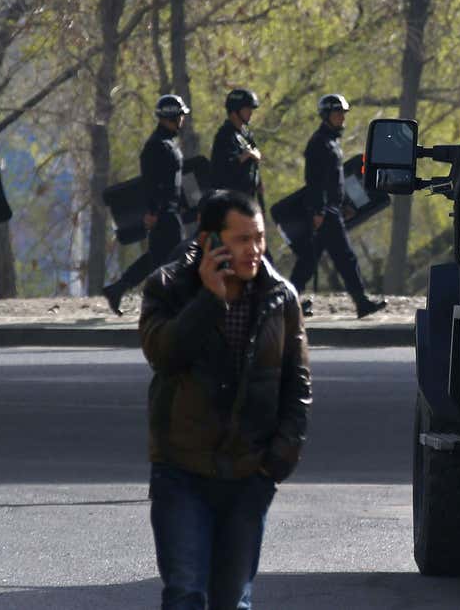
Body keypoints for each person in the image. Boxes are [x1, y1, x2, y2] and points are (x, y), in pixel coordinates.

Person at [139, 189, 310, 610]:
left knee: (233, 602)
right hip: (182, 474)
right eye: (241, 239)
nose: (254, 251)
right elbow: (164, 353)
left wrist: (274, 466)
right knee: (185, 594)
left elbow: (297, 387)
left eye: (259, 238)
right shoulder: (167, 288)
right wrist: (209, 300)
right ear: (209, 241)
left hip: (248, 478)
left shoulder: (280, 298)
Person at [287, 94, 386, 318]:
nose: (342, 117)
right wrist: (319, 211)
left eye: (343, 113)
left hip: (331, 210)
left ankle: (287, 302)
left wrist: (342, 206)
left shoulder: (331, 142)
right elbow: (315, 181)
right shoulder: (319, 143)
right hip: (324, 213)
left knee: (308, 262)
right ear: (326, 116)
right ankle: (361, 302)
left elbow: (333, 181)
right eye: (337, 113)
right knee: (344, 258)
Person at [103, 95, 190, 315]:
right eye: (180, 115)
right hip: (162, 213)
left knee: (160, 257)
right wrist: (153, 212)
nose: (183, 119)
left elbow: (175, 180)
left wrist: (184, 205)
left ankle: (118, 289)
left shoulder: (169, 142)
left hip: (171, 210)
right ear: (171, 116)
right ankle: (162, 303)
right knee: (171, 258)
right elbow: (151, 183)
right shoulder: (156, 146)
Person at [210, 89, 264, 200]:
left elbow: (256, 155)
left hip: (248, 197)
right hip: (230, 199)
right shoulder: (225, 135)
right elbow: (222, 169)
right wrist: (246, 155)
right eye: (246, 109)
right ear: (235, 111)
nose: (250, 112)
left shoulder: (245, 134)